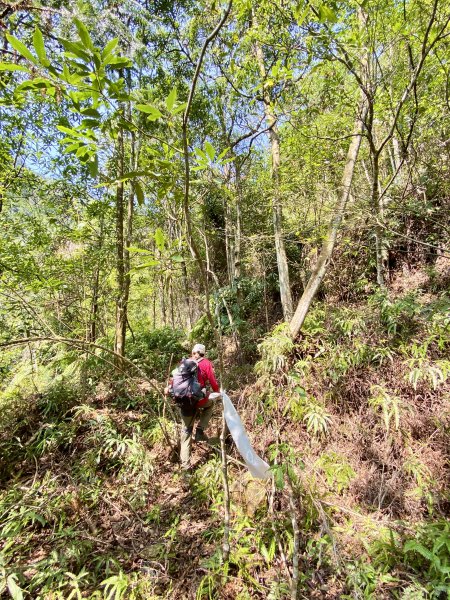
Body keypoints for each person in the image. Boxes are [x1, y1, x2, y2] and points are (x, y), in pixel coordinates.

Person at [168, 343, 220, 473]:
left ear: (192, 352)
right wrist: (218, 393)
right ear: (203, 353)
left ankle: (185, 469)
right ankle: (200, 431)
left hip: (185, 403)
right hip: (200, 400)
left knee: (185, 434)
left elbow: (174, 381)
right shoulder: (206, 363)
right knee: (211, 404)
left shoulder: (184, 363)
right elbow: (212, 381)